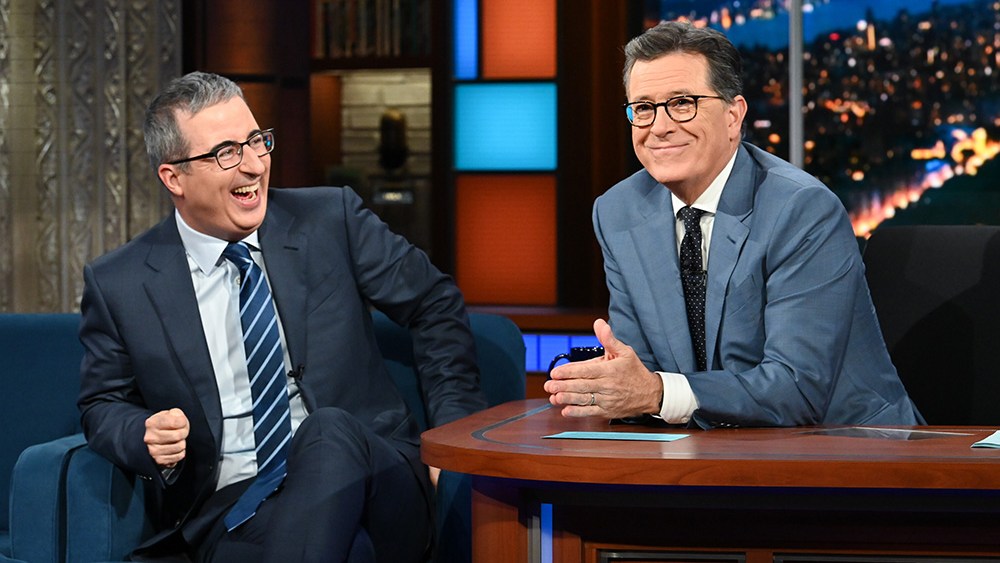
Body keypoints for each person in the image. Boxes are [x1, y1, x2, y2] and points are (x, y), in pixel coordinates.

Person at [77, 71, 486, 562]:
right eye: (226, 153)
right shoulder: (121, 282)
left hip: (375, 479)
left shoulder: (330, 219)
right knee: (348, 551)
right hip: (234, 509)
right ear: (174, 178)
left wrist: (453, 432)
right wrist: (141, 433)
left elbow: (434, 302)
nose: (253, 166)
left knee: (326, 431)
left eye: (257, 141)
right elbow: (102, 403)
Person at [544, 21, 923, 429]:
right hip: (706, 447)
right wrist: (621, 387)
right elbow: (641, 370)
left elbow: (797, 389)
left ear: (733, 115)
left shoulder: (801, 210)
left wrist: (658, 393)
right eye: (644, 108)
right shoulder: (618, 212)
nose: (660, 127)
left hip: (844, 445)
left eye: (682, 103)